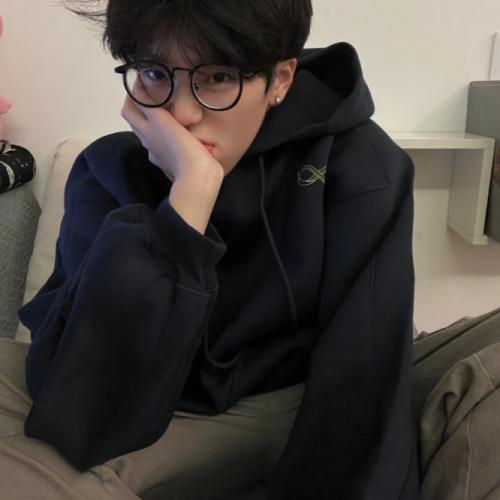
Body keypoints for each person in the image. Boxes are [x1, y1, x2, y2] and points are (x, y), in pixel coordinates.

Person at [0, 0, 422, 498]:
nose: (182, 114)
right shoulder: (106, 172)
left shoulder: (360, 165)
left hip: (285, 400)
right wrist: (189, 201)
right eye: (155, 73)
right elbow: (82, 405)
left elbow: (362, 378)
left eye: (218, 77)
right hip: (142, 408)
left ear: (281, 79)